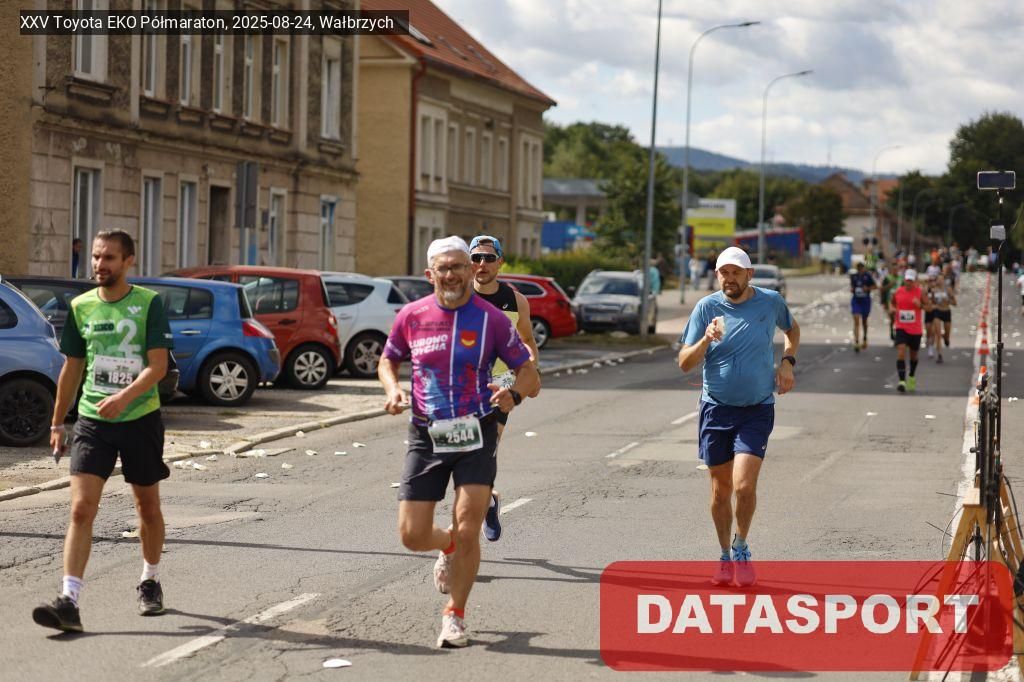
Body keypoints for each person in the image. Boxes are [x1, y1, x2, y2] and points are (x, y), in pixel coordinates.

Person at [378, 236, 540, 649]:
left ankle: (454, 615)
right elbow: (388, 359)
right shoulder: (412, 316)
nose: (451, 275)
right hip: (427, 433)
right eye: (443, 268)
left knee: (470, 527)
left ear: (470, 271)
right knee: (412, 535)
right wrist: (393, 389)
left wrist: (514, 393)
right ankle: (447, 543)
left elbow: (527, 371)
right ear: (430, 274)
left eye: (459, 266)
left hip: (476, 430)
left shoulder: (492, 320)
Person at [32, 230, 174, 633]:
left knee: (147, 507)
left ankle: (150, 580)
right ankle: (69, 601)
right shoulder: (81, 306)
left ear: (128, 261)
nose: (99, 264)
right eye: (96, 257)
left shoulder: (149, 303)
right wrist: (57, 422)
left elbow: (159, 367)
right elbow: (73, 367)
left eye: (109, 257)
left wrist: (124, 397)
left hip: (140, 418)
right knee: (81, 508)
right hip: (93, 421)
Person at [677, 246, 800, 587]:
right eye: (724, 273)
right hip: (716, 408)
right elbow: (684, 362)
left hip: (756, 408)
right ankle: (723, 556)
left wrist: (787, 362)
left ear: (749, 274)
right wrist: (705, 339)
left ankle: (741, 546)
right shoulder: (707, 308)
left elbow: (792, 330)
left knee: (744, 486)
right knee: (721, 491)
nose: (729, 279)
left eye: (736, 272)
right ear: (717, 275)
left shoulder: (770, 302)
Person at [467, 235, 541, 541]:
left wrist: (532, 372)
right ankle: (489, 499)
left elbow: (527, 340)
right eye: (476, 258)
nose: (481, 264)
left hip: (500, 383)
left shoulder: (515, 300)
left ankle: (462, 539)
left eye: (488, 258)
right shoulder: (457, 296)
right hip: (462, 385)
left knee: (485, 450)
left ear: (500, 262)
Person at [892, 269, 929, 393]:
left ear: (915, 281)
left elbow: (929, 307)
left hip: (915, 329)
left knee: (913, 356)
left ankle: (912, 375)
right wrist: (892, 309)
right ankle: (902, 381)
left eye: (911, 281)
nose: (909, 283)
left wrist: (920, 305)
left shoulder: (920, 292)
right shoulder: (898, 291)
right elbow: (892, 303)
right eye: (907, 280)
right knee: (901, 351)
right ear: (904, 280)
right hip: (901, 327)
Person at [926, 272, 956, 363]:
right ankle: (939, 355)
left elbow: (955, 303)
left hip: (946, 312)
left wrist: (948, 300)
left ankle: (946, 338)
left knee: (946, 334)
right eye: (938, 279)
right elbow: (931, 302)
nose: (939, 281)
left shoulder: (948, 289)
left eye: (941, 279)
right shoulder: (934, 290)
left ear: (944, 280)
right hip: (937, 312)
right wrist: (932, 304)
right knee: (938, 334)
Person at [849, 261, 875, 351]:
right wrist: (852, 289)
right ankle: (856, 341)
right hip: (856, 300)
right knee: (856, 320)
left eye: (861, 268)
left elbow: (875, 286)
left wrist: (867, 288)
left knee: (864, 321)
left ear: (864, 268)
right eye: (859, 268)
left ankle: (864, 338)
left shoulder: (868, 276)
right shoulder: (854, 276)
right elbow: (852, 286)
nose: (860, 270)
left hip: (865, 301)